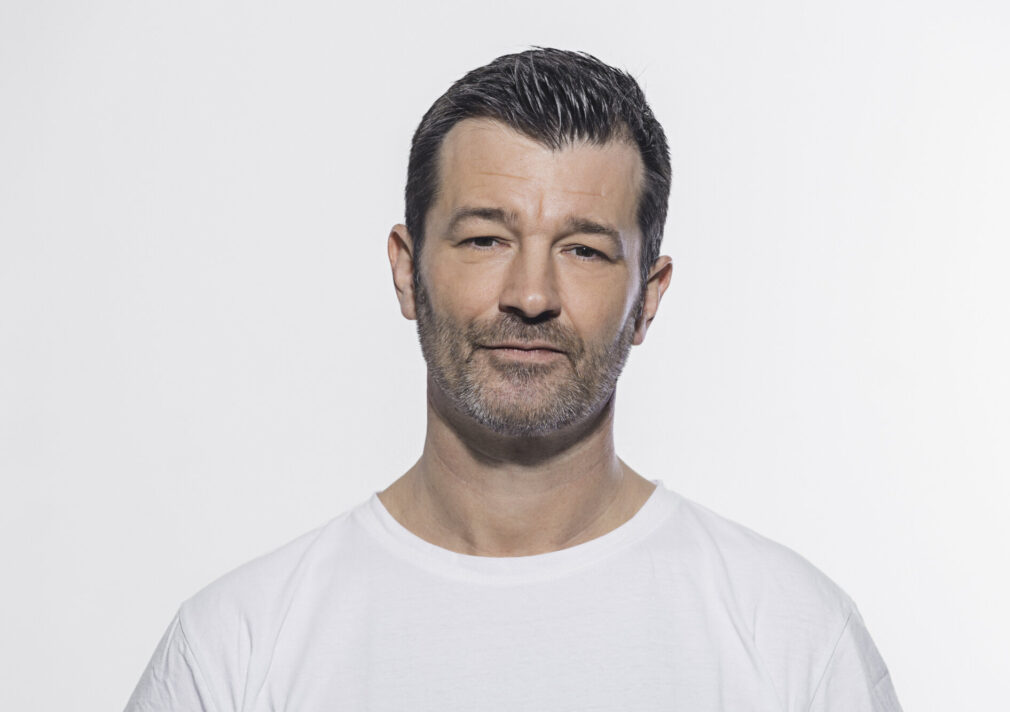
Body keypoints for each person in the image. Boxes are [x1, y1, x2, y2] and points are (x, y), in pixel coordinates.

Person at [124, 48, 902, 712]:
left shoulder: (794, 640)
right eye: (485, 238)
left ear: (648, 297)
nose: (531, 295)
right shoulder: (235, 648)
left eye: (584, 249)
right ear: (407, 271)